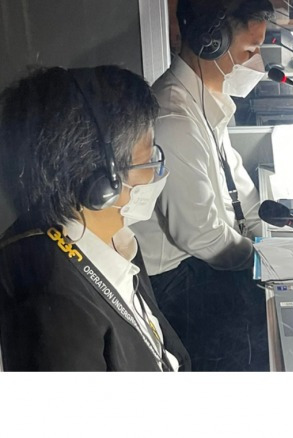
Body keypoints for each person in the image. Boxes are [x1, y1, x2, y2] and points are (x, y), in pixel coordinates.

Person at [0, 65, 190, 371]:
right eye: (149, 160)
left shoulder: (116, 242)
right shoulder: (55, 312)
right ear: (103, 183)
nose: (157, 173)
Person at [132, 0, 275, 371]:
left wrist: (272, 237)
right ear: (212, 43)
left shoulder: (204, 101)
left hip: (206, 261)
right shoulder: (174, 119)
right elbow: (200, 234)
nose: (257, 63)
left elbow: (239, 192)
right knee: (265, 339)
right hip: (178, 282)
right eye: (250, 50)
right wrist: (264, 259)